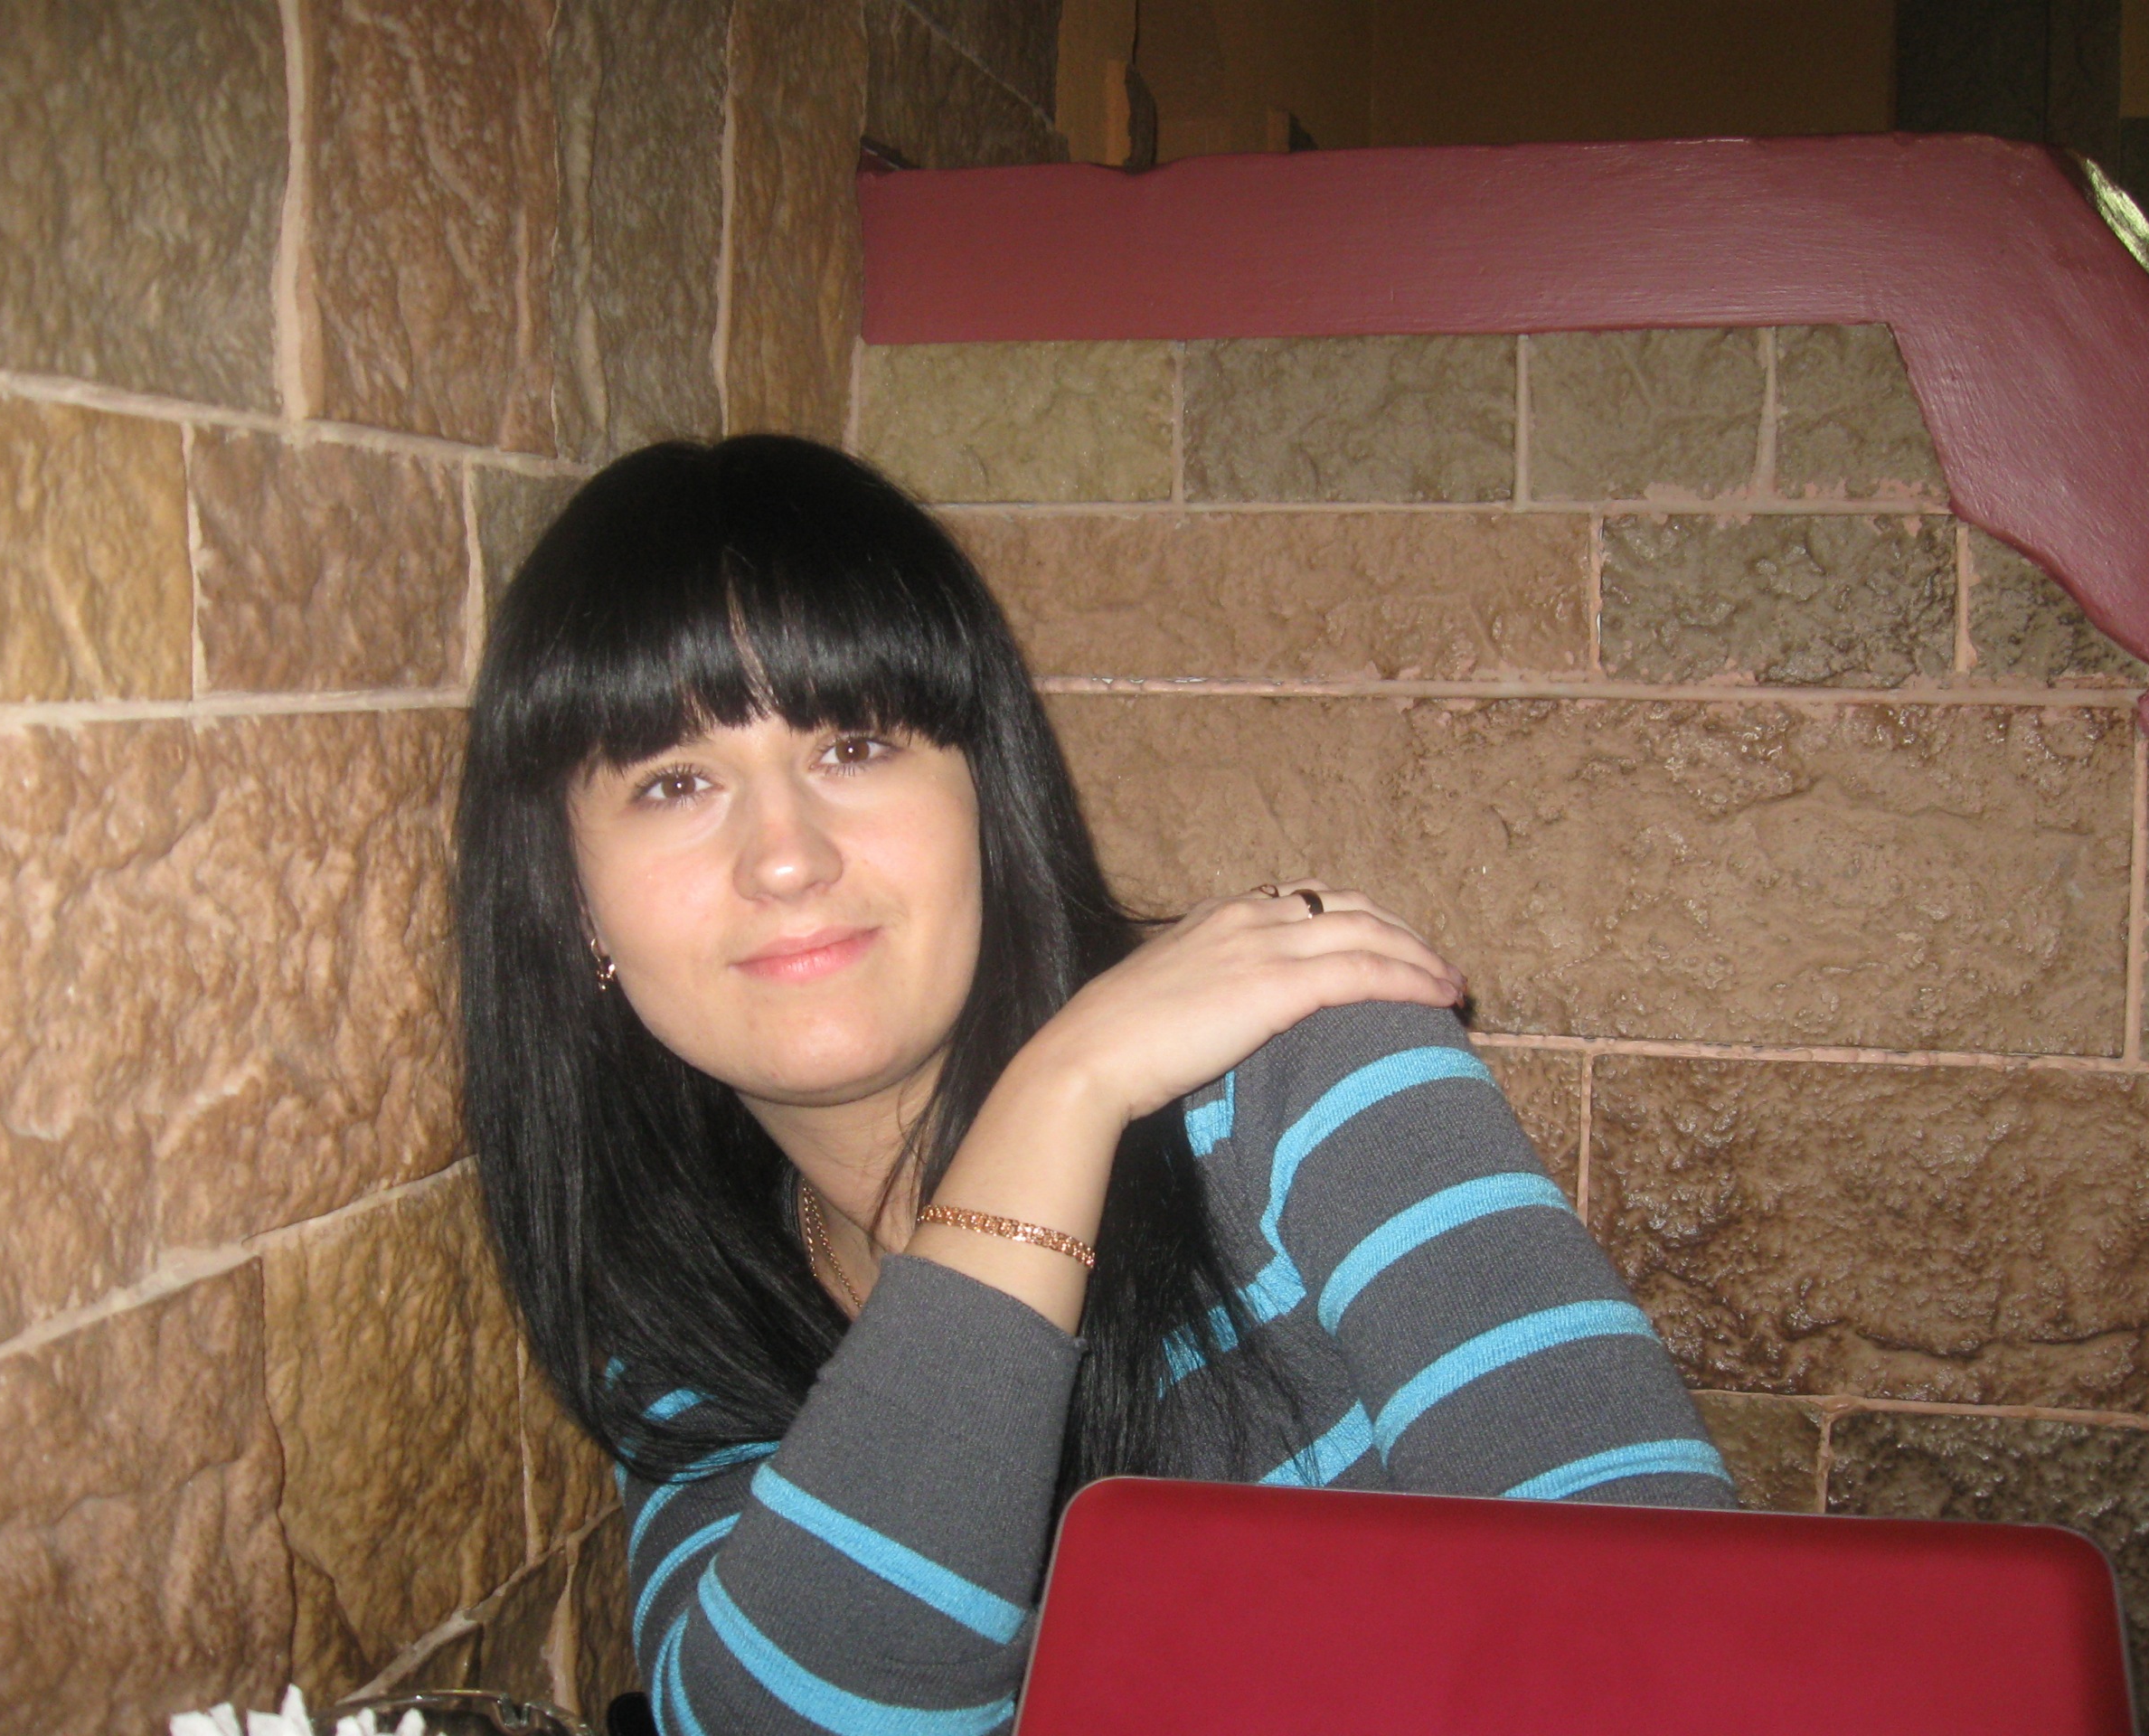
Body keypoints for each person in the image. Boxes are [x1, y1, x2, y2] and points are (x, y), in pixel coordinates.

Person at [457, 434, 1734, 1735]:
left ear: (985, 800)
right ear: (576, 905)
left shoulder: (1303, 1066)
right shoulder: (690, 1309)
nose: (785, 857)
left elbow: (1656, 1633)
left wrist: (1070, 1083)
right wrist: (1058, 1099)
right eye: (674, 783)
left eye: (854, 747)